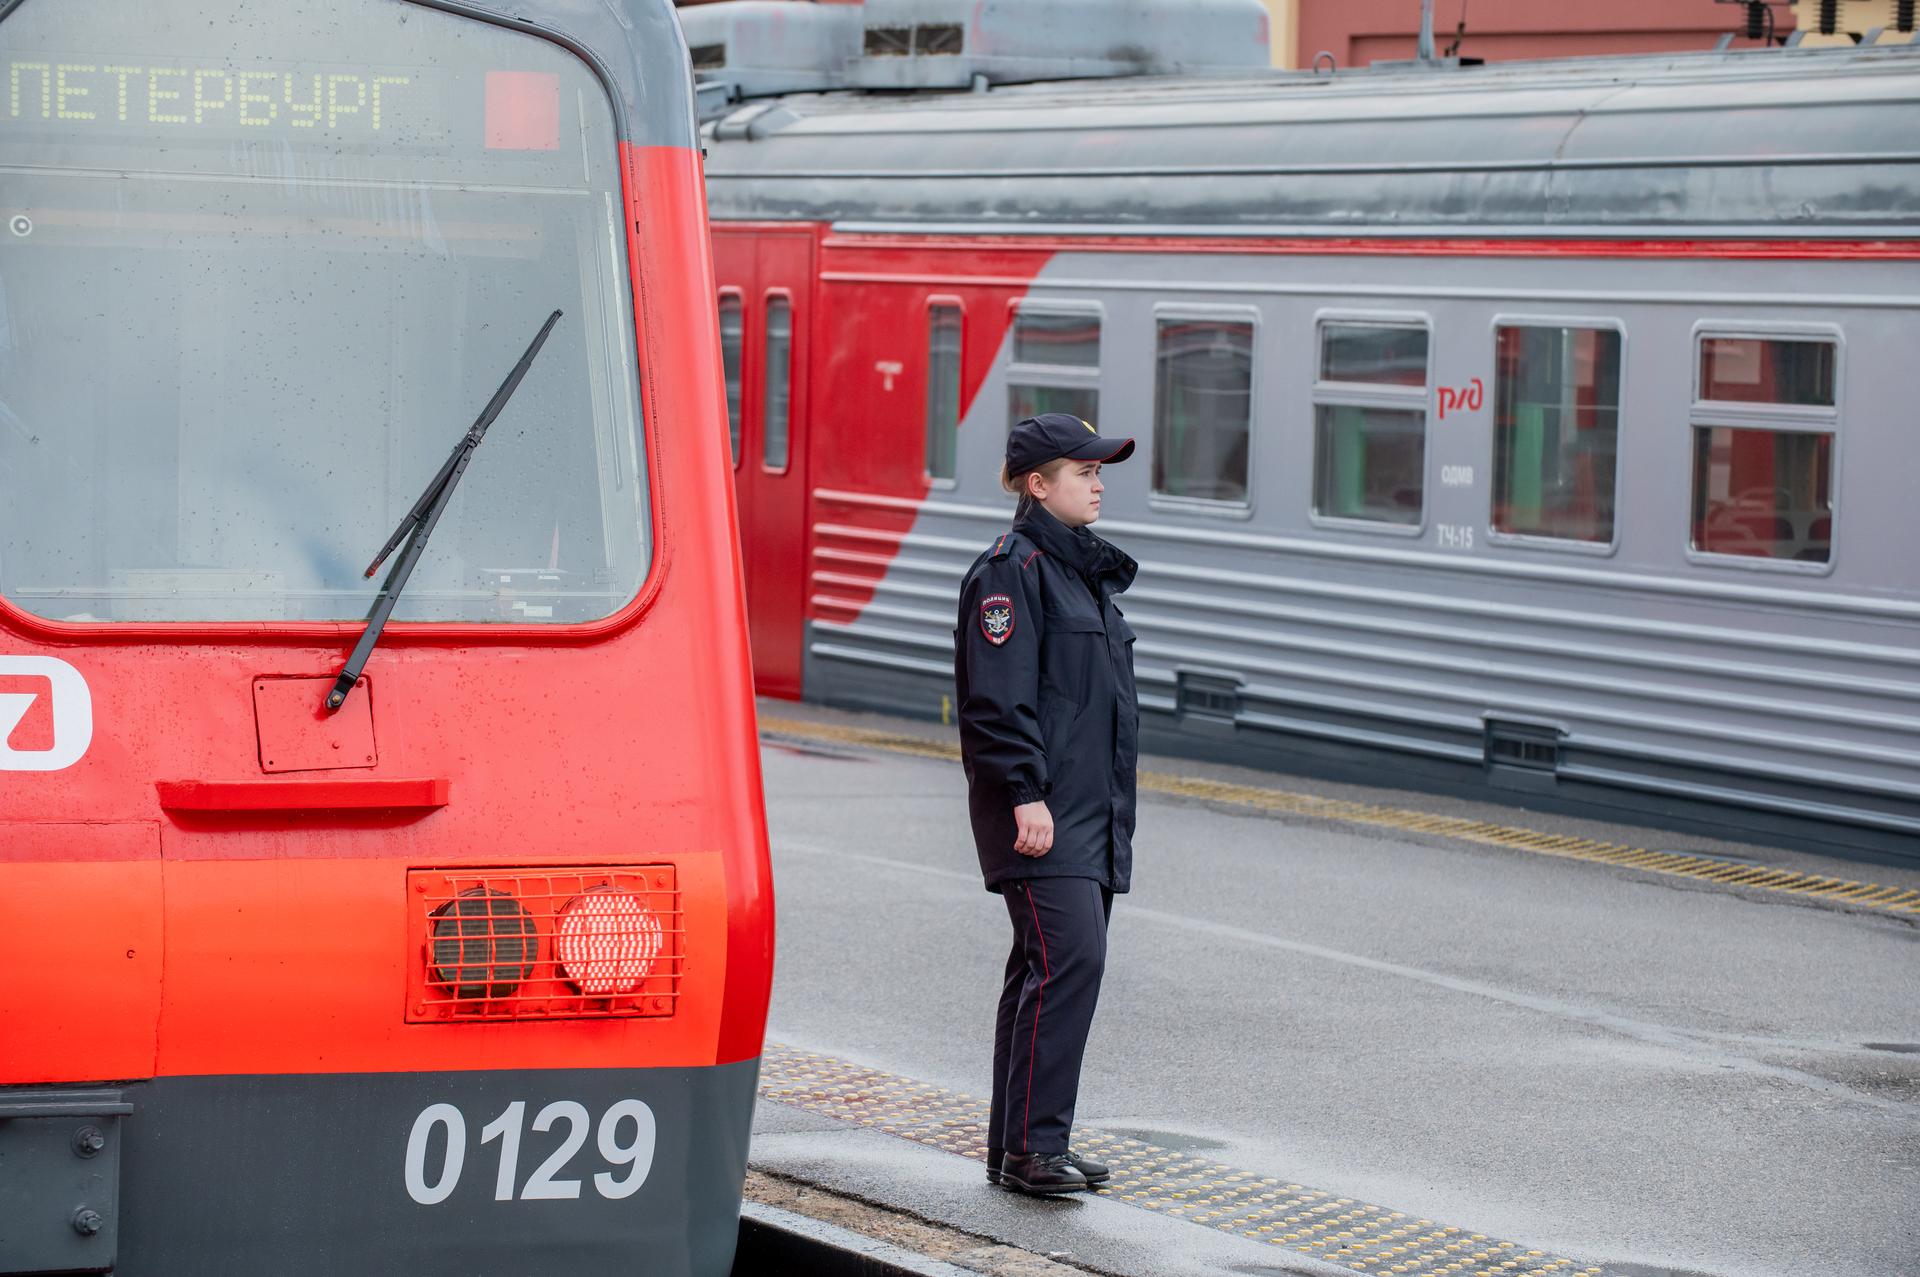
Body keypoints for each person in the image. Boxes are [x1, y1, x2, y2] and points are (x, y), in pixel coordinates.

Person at [954, 411, 1140, 1196]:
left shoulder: (1078, 572)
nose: (1099, 483)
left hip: (1090, 816)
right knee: (1070, 961)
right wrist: (1025, 793)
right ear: (1038, 484)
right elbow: (999, 702)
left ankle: (1019, 1143)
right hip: (1043, 814)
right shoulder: (1010, 572)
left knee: (1042, 968)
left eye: (1100, 471)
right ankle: (1035, 1146)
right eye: (1083, 471)